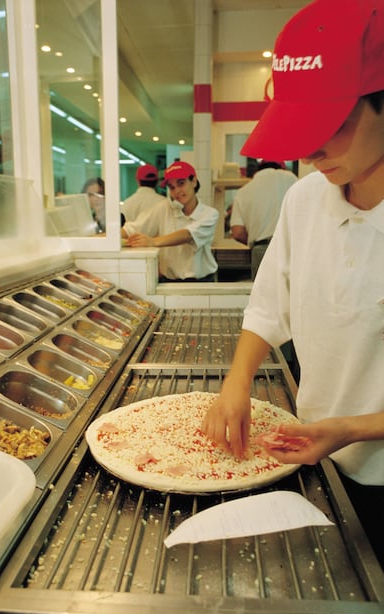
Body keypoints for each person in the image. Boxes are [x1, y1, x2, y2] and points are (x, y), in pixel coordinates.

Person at [202, 0, 384, 567]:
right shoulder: (306, 199)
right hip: (322, 450)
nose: (311, 150)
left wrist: (352, 428)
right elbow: (269, 302)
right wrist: (238, 380)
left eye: (331, 125)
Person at [121, 161, 218, 282]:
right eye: (172, 187)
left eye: (181, 183)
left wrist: (152, 241)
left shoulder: (209, 214)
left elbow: (188, 235)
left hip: (202, 282)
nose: (177, 191)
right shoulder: (163, 208)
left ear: (193, 181)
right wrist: (103, 238)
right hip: (169, 281)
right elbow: (132, 229)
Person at [230, 160, 297, 279]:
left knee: (263, 296)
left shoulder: (243, 191)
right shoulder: (291, 179)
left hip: (261, 250)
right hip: (291, 246)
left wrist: (257, 240)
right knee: (292, 294)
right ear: (282, 168)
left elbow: (238, 232)